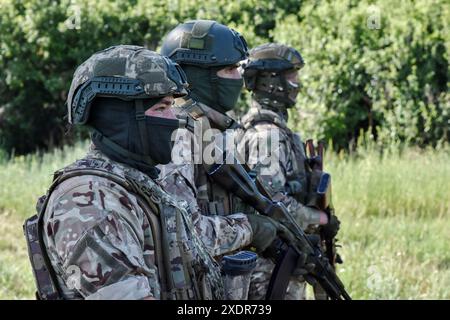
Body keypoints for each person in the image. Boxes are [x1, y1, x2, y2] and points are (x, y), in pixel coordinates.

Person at [24, 45, 233, 300]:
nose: (175, 118)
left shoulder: (135, 183)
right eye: (161, 108)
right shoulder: (89, 199)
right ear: (120, 117)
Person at [158, 20, 284, 297]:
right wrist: (250, 228)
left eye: (238, 68)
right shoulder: (179, 134)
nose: (238, 77)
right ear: (197, 77)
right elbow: (184, 233)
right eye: (228, 69)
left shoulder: (210, 127)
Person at [238, 43, 340, 299]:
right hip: (270, 267)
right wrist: (321, 220)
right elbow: (273, 203)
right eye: (292, 76)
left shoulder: (278, 132)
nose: (298, 83)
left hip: (288, 258)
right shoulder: (267, 136)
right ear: (271, 81)